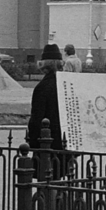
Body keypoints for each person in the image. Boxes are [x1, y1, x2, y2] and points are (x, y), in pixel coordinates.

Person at [26, 43, 68, 179]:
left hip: (46, 144)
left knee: (46, 183)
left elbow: (36, 119)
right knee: (61, 179)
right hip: (65, 143)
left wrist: (32, 143)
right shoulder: (66, 84)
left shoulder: (42, 87)